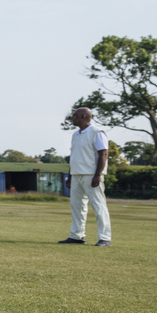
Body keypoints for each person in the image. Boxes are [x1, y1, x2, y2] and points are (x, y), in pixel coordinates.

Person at [60, 106, 111, 247]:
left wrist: (98, 175)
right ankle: (77, 235)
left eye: (75, 116)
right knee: (76, 206)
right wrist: (70, 176)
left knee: (98, 206)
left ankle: (105, 238)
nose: (72, 118)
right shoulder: (75, 135)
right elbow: (74, 157)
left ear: (83, 117)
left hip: (91, 174)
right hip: (76, 174)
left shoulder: (97, 132)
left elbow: (103, 154)